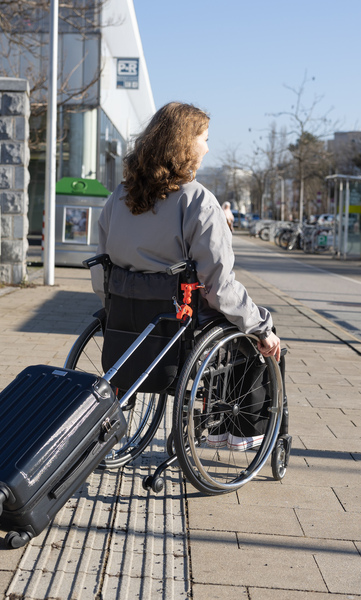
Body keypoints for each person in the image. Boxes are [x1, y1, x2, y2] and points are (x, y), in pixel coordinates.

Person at [90, 102, 280, 450]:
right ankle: (240, 430)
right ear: (185, 145)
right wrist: (261, 326)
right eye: (204, 139)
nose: (208, 147)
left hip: (126, 321)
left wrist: (115, 305)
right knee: (260, 335)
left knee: (241, 321)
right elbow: (220, 287)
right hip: (180, 325)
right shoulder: (199, 202)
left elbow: (103, 269)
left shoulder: (119, 197)